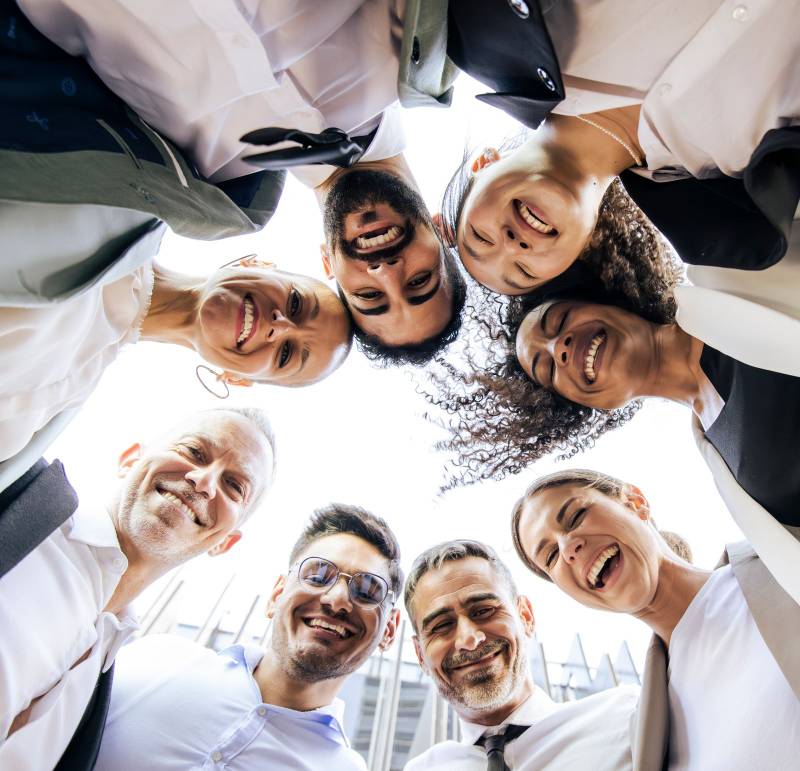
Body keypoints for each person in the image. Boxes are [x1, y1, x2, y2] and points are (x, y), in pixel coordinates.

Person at [13, 0, 572, 362]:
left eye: (369, 296)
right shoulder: (425, 47)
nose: (384, 271)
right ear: (444, 232)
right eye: (419, 282)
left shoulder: (205, 183)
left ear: (329, 268)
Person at [427, 286, 800, 601]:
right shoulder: (719, 454)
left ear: (603, 297)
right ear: (579, 403)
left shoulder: (729, 290)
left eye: (559, 322)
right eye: (549, 369)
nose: (560, 347)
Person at [439, 0, 800, 296]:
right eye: (524, 271)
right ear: (578, 251)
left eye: (481, 237)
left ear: (484, 163)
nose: (512, 246)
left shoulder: (494, 27)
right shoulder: (733, 201)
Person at [0, 407, 277, 771]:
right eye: (194, 452)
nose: (204, 482)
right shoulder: (16, 493)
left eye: (234, 486)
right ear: (130, 458)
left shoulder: (107, 674)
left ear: (224, 542)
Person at [511, 469, 800, 770]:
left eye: (576, 516)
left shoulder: (783, 561)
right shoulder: (648, 734)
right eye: (551, 557)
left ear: (635, 502)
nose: (568, 548)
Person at [0, 253, 350, 493]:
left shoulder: (56, 399)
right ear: (258, 263)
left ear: (236, 378)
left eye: (286, 354)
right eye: (295, 304)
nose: (280, 326)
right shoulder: (122, 210)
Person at [93, 503, 403, 771]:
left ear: (389, 631)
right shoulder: (156, 660)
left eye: (367, 590)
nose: (336, 599)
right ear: (277, 595)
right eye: (319, 574)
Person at [403, 539, 638, 770]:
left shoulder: (626, 718)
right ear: (420, 655)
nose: (469, 640)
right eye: (441, 625)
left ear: (526, 617)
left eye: (484, 610)